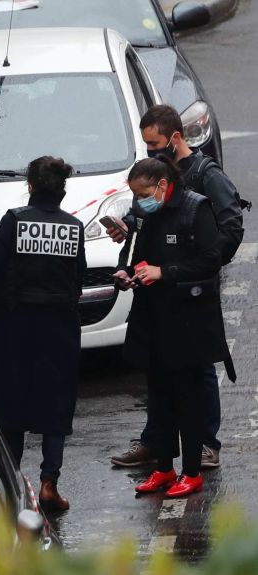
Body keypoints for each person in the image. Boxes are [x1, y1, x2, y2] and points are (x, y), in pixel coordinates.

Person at [107, 105, 247, 469]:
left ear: (175, 138)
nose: (151, 151)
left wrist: (205, 265)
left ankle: (205, 443)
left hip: (191, 289)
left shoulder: (205, 174)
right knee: (159, 370)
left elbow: (229, 229)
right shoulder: (152, 178)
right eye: (146, 145)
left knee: (197, 369)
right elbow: (145, 223)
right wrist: (129, 231)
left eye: (155, 144)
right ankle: (157, 441)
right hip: (158, 293)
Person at [114, 157, 233, 498]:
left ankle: (191, 471)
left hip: (188, 320)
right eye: (135, 194)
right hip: (152, 318)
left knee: (188, 398)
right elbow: (134, 250)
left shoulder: (196, 209)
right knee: (159, 397)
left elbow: (211, 260)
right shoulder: (145, 214)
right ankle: (163, 467)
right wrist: (128, 271)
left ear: (163, 185)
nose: (140, 200)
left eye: (144, 192)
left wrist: (165, 273)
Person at [0, 156, 86, 512]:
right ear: (62, 190)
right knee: (55, 408)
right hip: (59, 330)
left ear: (31, 186)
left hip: (13, 328)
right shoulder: (73, 226)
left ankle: (11, 488)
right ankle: (48, 485)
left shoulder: (13, 221)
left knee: (11, 407)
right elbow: (78, 281)